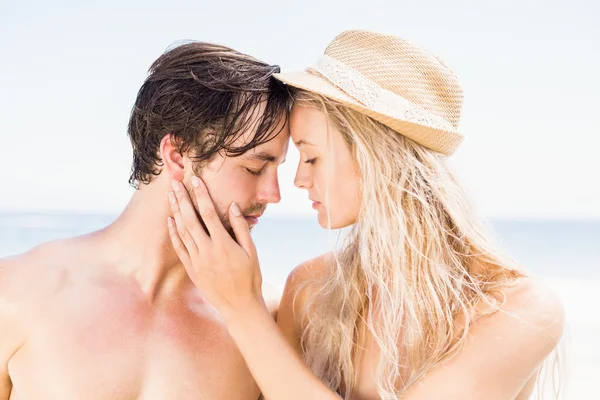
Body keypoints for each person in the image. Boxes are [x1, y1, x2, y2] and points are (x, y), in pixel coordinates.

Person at [167, 30, 565, 400]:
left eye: (312, 156)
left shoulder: (518, 307)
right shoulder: (308, 289)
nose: (299, 181)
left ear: (375, 158)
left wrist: (241, 308)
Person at [0, 41, 289, 400]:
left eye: (278, 169)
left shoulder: (265, 318)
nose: (273, 194)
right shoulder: (16, 292)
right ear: (178, 155)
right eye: (255, 167)